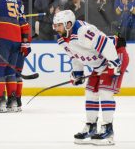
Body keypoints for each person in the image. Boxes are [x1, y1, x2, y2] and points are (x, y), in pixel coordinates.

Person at [53, 10, 129, 145]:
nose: (56, 28)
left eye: (59, 25)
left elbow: (105, 43)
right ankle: (91, 127)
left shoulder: (83, 31)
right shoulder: (62, 40)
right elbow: (75, 57)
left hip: (115, 55)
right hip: (101, 64)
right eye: (55, 25)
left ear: (68, 24)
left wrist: (115, 62)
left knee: (105, 91)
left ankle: (108, 129)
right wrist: (78, 74)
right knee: (90, 92)